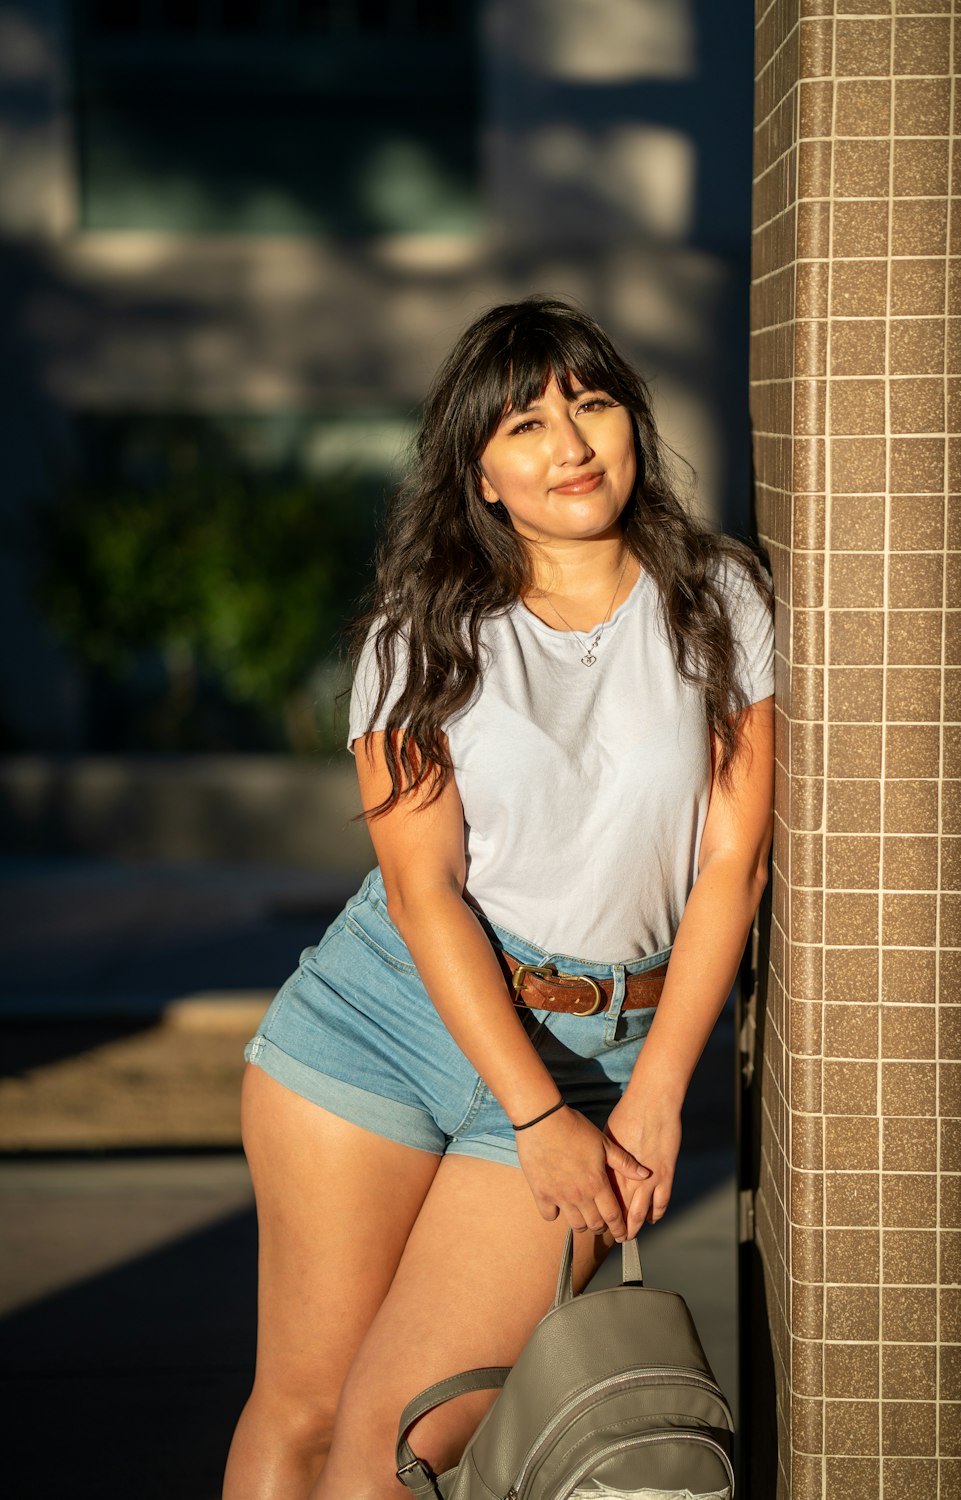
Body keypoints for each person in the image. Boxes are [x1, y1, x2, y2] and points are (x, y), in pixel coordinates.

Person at [222, 297, 774, 1500]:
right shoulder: (422, 635)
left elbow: (732, 865)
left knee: (404, 1442)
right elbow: (423, 898)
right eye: (525, 422)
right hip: (385, 1025)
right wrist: (534, 1118)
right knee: (307, 1417)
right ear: (479, 470)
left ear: (633, 421)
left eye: (591, 403)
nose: (569, 444)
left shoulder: (719, 602)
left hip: (602, 1044)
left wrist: (658, 1095)